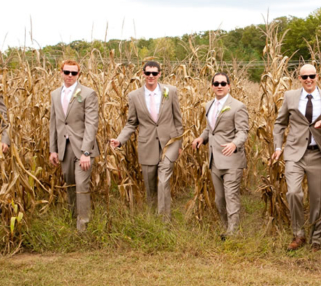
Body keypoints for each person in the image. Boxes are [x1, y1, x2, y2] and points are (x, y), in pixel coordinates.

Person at [272, 64, 321, 252]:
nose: (308, 79)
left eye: (312, 76)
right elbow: (279, 123)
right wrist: (277, 146)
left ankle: (316, 238)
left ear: (317, 76)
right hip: (294, 152)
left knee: (318, 198)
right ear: (299, 78)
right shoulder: (290, 96)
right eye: (304, 76)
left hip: (318, 153)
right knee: (293, 192)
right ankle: (298, 234)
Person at [110, 61, 183, 219]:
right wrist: (120, 140)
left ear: (159, 74)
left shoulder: (171, 91)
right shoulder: (134, 96)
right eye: (148, 73)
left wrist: (179, 143)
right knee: (150, 185)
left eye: (154, 73)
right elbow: (131, 123)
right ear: (142, 74)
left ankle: (164, 220)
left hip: (168, 144)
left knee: (163, 181)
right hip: (147, 145)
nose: (151, 76)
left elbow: (178, 120)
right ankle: (152, 217)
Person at [192, 73, 249, 239]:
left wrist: (234, 144)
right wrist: (201, 138)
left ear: (229, 86)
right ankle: (225, 227)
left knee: (231, 196)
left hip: (232, 159)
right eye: (216, 83)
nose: (219, 86)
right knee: (219, 199)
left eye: (223, 83)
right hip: (214, 160)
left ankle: (233, 232)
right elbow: (210, 129)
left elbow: (243, 132)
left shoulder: (238, 106)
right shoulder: (209, 105)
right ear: (212, 86)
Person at [49, 60, 99, 232]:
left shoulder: (88, 93)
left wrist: (86, 152)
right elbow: (54, 123)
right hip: (64, 147)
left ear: (79, 75)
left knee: (81, 185)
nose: (70, 76)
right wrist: (53, 150)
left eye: (74, 73)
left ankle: (83, 228)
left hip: (82, 148)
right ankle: (72, 220)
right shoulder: (55, 94)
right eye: (67, 72)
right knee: (70, 185)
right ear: (61, 72)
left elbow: (91, 124)